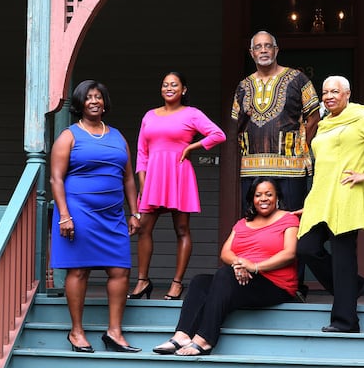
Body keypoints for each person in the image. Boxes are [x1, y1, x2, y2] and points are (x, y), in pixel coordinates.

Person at [297, 76, 364, 333]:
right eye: (325, 92)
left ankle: (346, 321)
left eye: (335, 91)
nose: (329, 96)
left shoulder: (360, 117)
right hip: (321, 197)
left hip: (346, 195)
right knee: (306, 248)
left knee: (342, 258)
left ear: (347, 94)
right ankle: (354, 286)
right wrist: (310, 202)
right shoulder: (324, 123)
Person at [152, 177, 299, 356]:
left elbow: (289, 253)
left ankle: (205, 339)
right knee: (200, 281)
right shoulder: (242, 223)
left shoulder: (288, 219)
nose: (263, 199)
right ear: (252, 198)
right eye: (258, 195)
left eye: (269, 194)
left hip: (274, 285)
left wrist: (254, 266)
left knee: (223, 274)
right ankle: (182, 335)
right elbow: (225, 253)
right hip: (241, 278)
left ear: (277, 198)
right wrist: (239, 265)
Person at [50, 80, 141, 353]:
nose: (94, 101)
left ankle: (114, 332)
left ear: (105, 102)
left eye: (98, 97)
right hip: (78, 212)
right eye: (88, 97)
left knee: (120, 270)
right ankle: (76, 331)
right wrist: (64, 215)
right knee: (79, 269)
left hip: (112, 215)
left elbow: (128, 179)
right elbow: (56, 178)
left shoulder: (117, 136)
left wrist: (134, 212)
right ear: (80, 103)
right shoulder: (69, 135)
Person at [231, 30, 320, 299]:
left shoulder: (297, 79)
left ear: (277, 49)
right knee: (253, 224)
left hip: (290, 167)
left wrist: (300, 146)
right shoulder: (243, 86)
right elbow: (237, 122)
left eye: (268, 45)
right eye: (258, 47)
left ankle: (296, 285)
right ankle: (250, 279)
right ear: (251, 53)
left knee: (291, 225)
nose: (263, 50)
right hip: (252, 167)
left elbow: (314, 117)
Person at [128, 71, 227, 300]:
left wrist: (192, 147)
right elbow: (142, 152)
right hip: (152, 178)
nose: (169, 88)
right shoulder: (149, 116)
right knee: (144, 228)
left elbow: (218, 134)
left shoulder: (192, 114)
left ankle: (176, 283)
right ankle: (142, 281)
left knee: (181, 229)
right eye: (165, 85)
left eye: (174, 85)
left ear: (183, 90)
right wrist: (143, 183)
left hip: (178, 176)